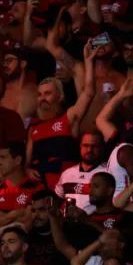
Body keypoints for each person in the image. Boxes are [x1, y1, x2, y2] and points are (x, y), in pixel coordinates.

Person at [27, 42, 96, 191]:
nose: (42, 98)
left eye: (47, 93)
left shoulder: (68, 118)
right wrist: (27, 170)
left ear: (60, 97)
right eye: (39, 95)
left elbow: (89, 93)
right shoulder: (34, 127)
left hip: (68, 189)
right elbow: (27, 162)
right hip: (41, 193)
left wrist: (89, 62)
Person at [54, 131, 108, 213]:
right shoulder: (67, 173)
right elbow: (58, 198)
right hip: (69, 223)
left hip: (95, 223)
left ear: (100, 147)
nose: (89, 150)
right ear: (80, 146)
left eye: (94, 146)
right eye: (86, 145)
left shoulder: (108, 172)